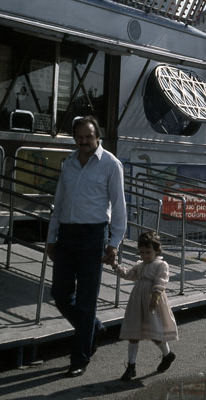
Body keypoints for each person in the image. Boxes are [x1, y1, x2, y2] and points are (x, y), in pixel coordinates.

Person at [46, 116, 127, 377]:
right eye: (79, 137)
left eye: (88, 137)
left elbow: (119, 207)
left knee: (86, 300)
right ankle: (94, 327)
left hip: (93, 235)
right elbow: (59, 202)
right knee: (60, 294)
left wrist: (113, 244)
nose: (84, 142)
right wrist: (51, 237)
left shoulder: (110, 164)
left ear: (97, 137)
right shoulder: (69, 163)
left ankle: (79, 358)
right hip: (67, 235)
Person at [114, 231, 178, 381]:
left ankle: (167, 354)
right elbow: (129, 274)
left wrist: (155, 296)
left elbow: (161, 280)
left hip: (151, 300)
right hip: (137, 300)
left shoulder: (161, 265)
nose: (144, 256)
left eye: (148, 252)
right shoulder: (140, 265)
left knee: (154, 333)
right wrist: (115, 265)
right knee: (133, 333)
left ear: (156, 251)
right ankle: (131, 366)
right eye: (142, 252)